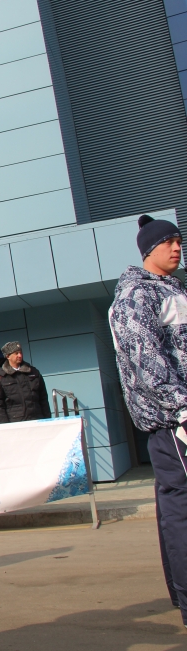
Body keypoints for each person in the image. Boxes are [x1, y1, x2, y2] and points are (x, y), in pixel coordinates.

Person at [110, 214, 187, 629]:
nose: (176, 247)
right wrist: (181, 409)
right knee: (182, 508)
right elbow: (146, 360)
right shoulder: (137, 295)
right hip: (174, 422)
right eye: (168, 242)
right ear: (148, 250)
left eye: (179, 240)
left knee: (177, 505)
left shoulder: (171, 290)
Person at [0, 341, 51, 423]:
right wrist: (5, 425)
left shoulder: (33, 372)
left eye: (20, 352)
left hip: (37, 419)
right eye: (16, 353)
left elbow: (43, 398)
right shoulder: (0, 377)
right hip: (16, 422)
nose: (20, 355)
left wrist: (47, 419)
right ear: (8, 356)